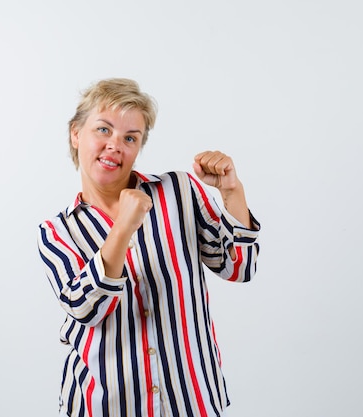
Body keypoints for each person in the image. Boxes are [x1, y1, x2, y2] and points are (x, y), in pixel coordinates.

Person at [37, 78, 261, 417]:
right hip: (106, 405)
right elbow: (87, 308)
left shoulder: (179, 191)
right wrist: (124, 226)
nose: (115, 145)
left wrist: (231, 192)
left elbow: (239, 267)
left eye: (130, 137)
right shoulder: (57, 231)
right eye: (103, 130)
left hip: (191, 399)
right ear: (75, 134)